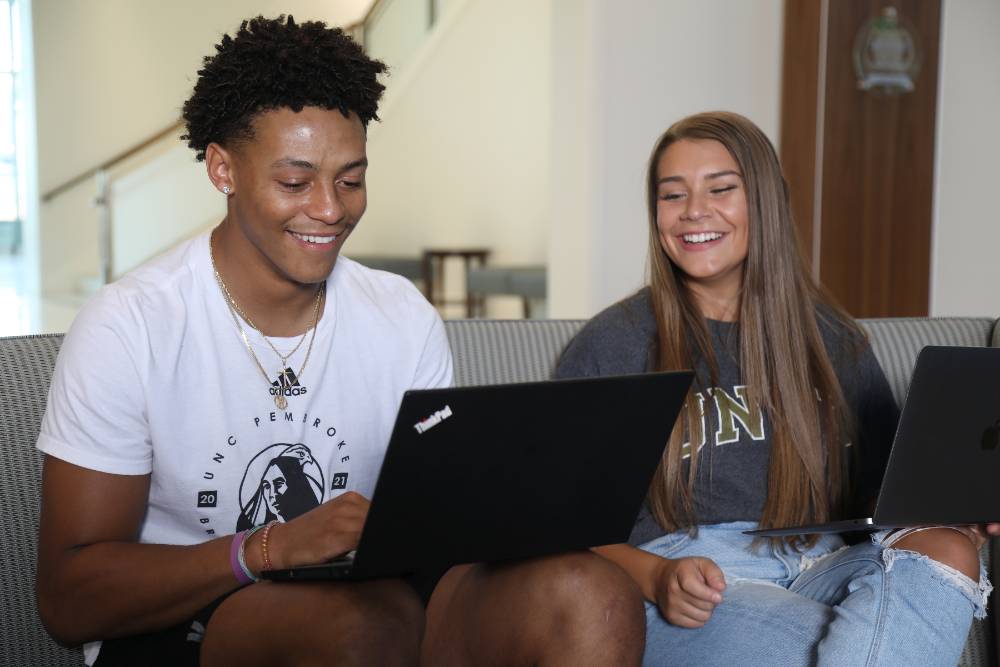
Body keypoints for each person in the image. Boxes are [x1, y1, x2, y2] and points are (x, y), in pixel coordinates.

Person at [35, 16, 643, 666]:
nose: (331, 208)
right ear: (222, 168)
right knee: (363, 626)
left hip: (383, 598)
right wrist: (265, 547)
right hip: (193, 619)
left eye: (351, 180)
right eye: (295, 182)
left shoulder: (401, 317)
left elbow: (434, 517)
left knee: (595, 593)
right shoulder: (129, 328)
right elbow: (70, 598)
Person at [555, 110, 998, 666]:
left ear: (762, 201)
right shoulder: (614, 344)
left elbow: (881, 494)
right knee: (847, 646)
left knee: (948, 552)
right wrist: (656, 575)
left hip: (821, 563)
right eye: (673, 195)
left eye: (720, 188)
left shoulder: (831, 338)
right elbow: (558, 522)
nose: (695, 211)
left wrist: (947, 514)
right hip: (694, 580)